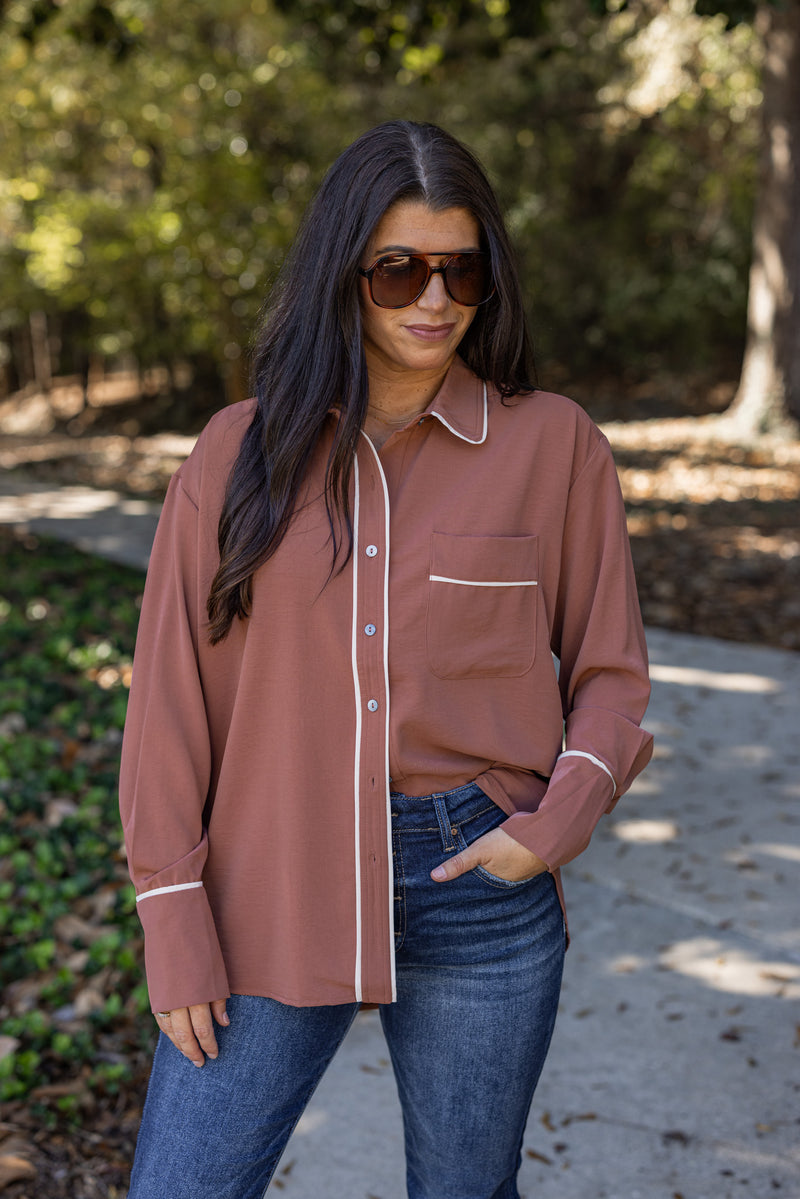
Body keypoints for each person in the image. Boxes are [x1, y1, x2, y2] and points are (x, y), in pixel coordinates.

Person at [119, 119, 653, 1199]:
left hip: (476, 878)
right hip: (270, 875)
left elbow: (609, 671)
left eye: (460, 267)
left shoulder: (552, 447)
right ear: (344, 275)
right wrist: (171, 914)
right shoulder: (236, 453)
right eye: (398, 267)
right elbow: (170, 703)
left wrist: (549, 827)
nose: (433, 297)